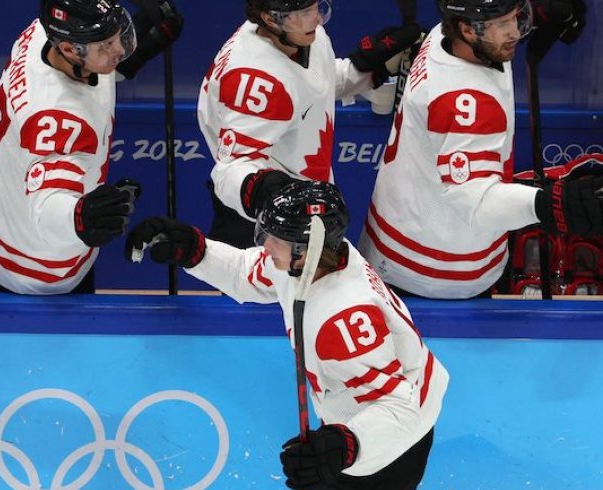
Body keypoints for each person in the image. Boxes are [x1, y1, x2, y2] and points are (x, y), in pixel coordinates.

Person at [126, 180, 448, 489]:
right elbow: (245, 272)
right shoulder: (312, 261)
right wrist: (196, 251)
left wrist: (345, 446)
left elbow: (401, 411)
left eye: (276, 237)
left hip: (391, 449)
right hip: (360, 425)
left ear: (307, 247)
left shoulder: (343, 320)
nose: (265, 245)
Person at [358, 0, 601, 299]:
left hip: (398, 238)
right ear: (468, 30)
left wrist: (534, 14)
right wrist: (550, 204)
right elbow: (474, 200)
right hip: (436, 272)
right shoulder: (469, 104)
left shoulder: (444, 37)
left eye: (517, 17)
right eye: (504, 24)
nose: (515, 32)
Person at [0, 0, 181, 294]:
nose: (118, 49)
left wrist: (138, 40)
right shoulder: (57, 120)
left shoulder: (42, 34)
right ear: (69, 50)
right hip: (24, 259)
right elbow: (47, 205)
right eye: (106, 44)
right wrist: (78, 217)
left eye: (120, 33)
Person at [199, 0, 423, 247]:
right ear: (271, 19)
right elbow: (230, 169)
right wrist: (268, 193)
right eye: (305, 12)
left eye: (318, 6)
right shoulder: (254, 81)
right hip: (263, 224)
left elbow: (308, 88)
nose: (316, 18)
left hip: (309, 202)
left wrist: (366, 70)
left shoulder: (299, 34)